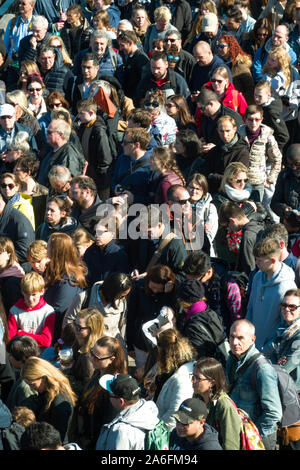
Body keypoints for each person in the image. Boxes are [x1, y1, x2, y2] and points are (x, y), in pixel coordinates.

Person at [226, 319, 282, 450]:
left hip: (258, 439)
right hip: (238, 433)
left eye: (240, 338)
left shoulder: (262, 369)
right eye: (232, 337)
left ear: (252, 339)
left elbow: (274, 412)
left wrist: (253, 435)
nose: (234, 342)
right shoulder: (232, 359)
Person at [246, 237, 297, 352]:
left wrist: (267, 348)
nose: (256, 263)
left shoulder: (287, 287)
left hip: (270, 353)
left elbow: (287, 327)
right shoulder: (257, 277)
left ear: (273, 260)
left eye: (259, 260)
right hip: (251, 346)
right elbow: (250, 308)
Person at [77, 336, 127, 449]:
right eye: (92, 353)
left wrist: (90, 443)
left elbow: (108, 424)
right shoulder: (98, 372)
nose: (91, 359)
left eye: (97, 357)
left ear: (112, 359)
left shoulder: (113, 387)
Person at [126, 264, 177, 369]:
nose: (155, 291)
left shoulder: (170, 292)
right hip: (140, 341)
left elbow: (167, 313)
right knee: (141, 372)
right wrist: (129, 344)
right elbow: (130, 316)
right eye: (153, 287)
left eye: (159, 289)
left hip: (161, 341)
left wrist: (167, 294)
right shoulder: (138, 287)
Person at [63, 272, 132, 347]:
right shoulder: (84, 298)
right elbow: (68, 322)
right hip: (87, 349)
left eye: (125, 295)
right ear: (111, 293)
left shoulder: (122, 302)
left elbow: (122, 326)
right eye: (121, 296)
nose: (124, 298)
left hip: (112, 347)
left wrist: (122, 347)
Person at [96, 372, 159, 450]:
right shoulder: (149, 411)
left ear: (121, 401)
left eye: (109, 395)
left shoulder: (120, 432)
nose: (108, 398)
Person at [21, 356, 76, 444]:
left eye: (33, 385)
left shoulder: (59, 402)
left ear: (43, 377)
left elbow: (60, 439)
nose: (32, 389)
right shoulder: (46, 392)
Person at [43, 233, 87, 341]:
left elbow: (60, 310)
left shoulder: (69, 279)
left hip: (57, 333)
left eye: (48, 246)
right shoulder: (52, 269)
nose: (45, 249)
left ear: (56, 250)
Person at [192, 357, 241, 450]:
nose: (193, 381)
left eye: (198, 378)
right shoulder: (197, 397)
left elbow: (231, 446)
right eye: (192, 376)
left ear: (212, 382)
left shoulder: (224, 405)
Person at [153, 328, 196, 430]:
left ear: (164, 354)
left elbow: (176, 413)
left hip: (165, 432)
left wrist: (156, 431)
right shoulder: (172, 370)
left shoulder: (181, 379)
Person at [194, 115, 249, 195]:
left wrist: (212, 176)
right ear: (217, 131)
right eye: (221, 131)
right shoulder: (216, 149)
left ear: (235, 129)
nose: (225, 135)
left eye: (228, 131)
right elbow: (204, 169)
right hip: (212, 192)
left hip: (231, 194)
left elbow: (236, 179)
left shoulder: (243, 152)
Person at [238, 104, 282, 204]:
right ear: (245, 119)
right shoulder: (238, 134)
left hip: (257, 183)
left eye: (257, 119)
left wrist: (270, 179)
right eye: (250, 119)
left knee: (256, 211)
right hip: (240, 182)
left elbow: (277, 159)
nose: (253, 123)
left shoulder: (268, 137)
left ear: (261, 119)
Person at [176, 278, 227, 358]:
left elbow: (199, 357)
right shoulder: (211, 313)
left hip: (206, 366)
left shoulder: (193, 326)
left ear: (183, 302)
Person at [262, 289, 300, 395]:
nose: (287, 309)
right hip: (282, 386)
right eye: (284, 305)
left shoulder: (298, 334)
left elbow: (285, 368)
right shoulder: (281, 328)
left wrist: (273, 359)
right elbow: (263, 352)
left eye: (292, 306)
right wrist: (276, 361)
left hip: (294, 391)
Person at [261, 45, 300, 143]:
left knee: (288, 144)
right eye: (269, 58)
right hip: (273, 116)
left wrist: (290, 104)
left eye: (273, 60)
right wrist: (282, 72)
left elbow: (297, 90)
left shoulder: (294, 72)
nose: (269, 62)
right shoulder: (267, 74)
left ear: (281, 61)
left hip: (290, 116)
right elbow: (274, 85)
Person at [76, 98, 113, 200]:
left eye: (81, 113)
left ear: (91, 113)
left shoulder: (99, 130)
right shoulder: (84, 126)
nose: (78, 116)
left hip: (99, 178)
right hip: (88, 173)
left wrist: (99, 175)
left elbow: (105, 157)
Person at [8, 272, 55, 349]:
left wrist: (22, 334)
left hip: (41, 355)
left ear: (42, 291)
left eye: (33, 294)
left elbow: (46, 341)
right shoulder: (14, 310)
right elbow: (10, 338)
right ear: (22, 291)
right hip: (21, 354)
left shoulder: (48, 311)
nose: (30, 299)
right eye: (27, 294)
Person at [219, 201, 265, 275]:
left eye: (227, 226)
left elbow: (250, 269)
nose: (228, 229)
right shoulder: (260, 225)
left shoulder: (247, 237)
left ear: (232, 220)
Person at [66, 307, 105, 396]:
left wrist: (66, 373)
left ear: (92, 330)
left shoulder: (89, 356)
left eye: (79, 327)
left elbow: (87, 388)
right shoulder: (80, 339)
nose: (75, 329)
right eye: (74, 324)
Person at [37, 119, 85, 188]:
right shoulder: (51, 149)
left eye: (49, 132)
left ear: (60, 135)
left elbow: (67, 184)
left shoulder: (69, 154)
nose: (46, 134)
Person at [111, 127, 152, 205]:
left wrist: (134, 199)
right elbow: (114, 179)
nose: (122, 144)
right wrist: (115, 188)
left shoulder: (152, 166)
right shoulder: (122, 158)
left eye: (126, 142)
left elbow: (155, 199)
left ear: (137, 145)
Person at [0, 193, 35, 271]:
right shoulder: (3, 216)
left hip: (18, 271)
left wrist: (5, 259)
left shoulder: (19, 221)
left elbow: (25, 251)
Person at [216, 34, 254, 105]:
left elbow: (250, 91)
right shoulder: (218, 63)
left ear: (230, 47)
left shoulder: (241, 66)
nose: (219, 49)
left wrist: (240, 104)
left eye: (222, 46)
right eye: (217, 47)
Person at [13, 153, 48, 229]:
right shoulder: (14, 190)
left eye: (17, 170)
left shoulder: (43, 192)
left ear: (27, 173)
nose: (14, 173)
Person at [254, 80, 289, 153]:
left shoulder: (271, 113)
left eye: (260, 96)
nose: (256, 99)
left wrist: (271, 150)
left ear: (268, 95)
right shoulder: (262, 106)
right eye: (255, 95)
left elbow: (284, 136)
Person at [187, 173, 218, 255]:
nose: (194, 191)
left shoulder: (210, 208)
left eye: (198, 189)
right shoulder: (180, 206)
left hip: (204, 253)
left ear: (204, 191)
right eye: (191, 187)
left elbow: (209, 236)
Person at [6, 336, 40, 412]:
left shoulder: (27, 386)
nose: (9, 357)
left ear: (20, 359)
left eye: (11, 355)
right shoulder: (22, 375)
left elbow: (26, 417)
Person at [117, 30, 149, 101]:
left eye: (122, 45)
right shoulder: (129, 56)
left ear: (131, 43)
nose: (120, 48)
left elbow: (143, 82)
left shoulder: (141, 59)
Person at [270, 144, 300, 220]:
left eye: (297, 164)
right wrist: (284, 210)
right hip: (289, 223)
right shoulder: (284, 175)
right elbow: (274, 203)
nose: (293, 167)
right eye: (290, 164)